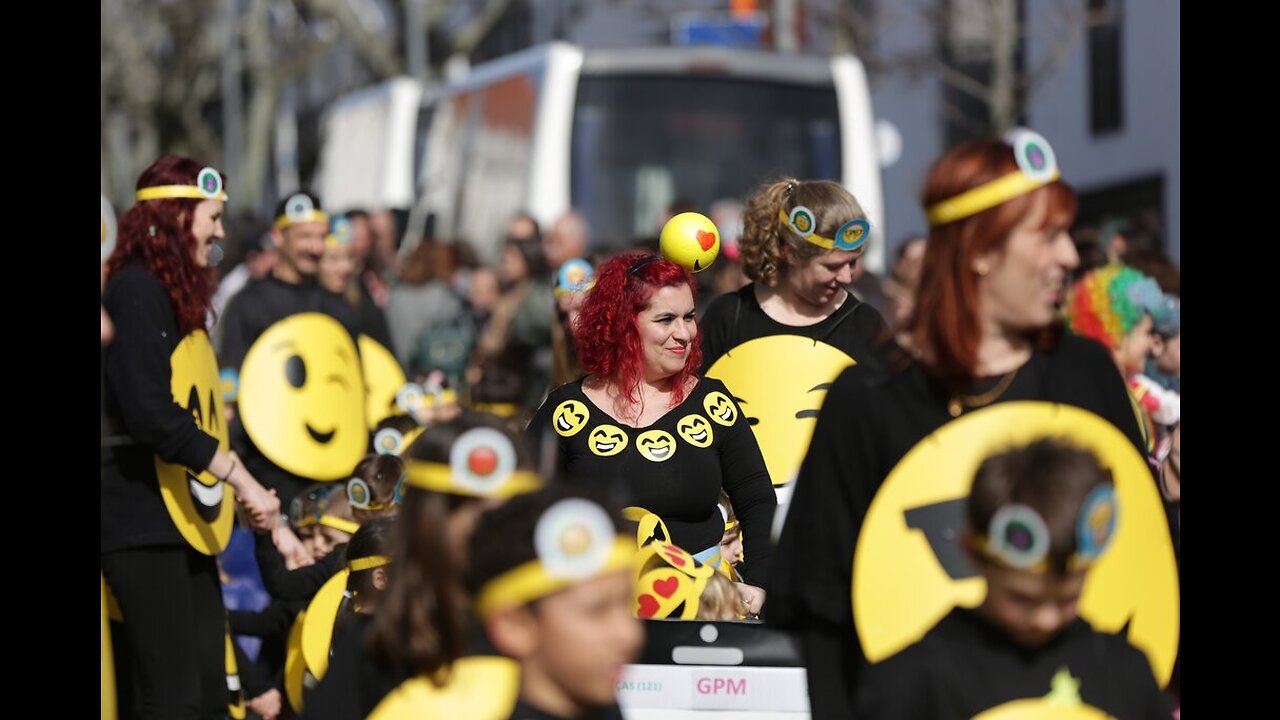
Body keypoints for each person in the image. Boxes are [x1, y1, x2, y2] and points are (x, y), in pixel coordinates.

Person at [768, 129, 1148, 717]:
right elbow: (824, 618)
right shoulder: (870, 397)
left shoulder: (1086, 375)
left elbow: (1138, 566)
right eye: (1047, 236)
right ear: (980, 249)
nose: (1070, 257)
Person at [102, 154, 279, 718]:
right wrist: (242, 479)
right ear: (177, 218)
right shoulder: (133, 291)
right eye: (212, 216)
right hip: (138, 520)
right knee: (171, 696)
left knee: (207, 687)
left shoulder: (165, 295)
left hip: (181, 515)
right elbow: (153, 415)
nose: (221, 231)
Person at [527, 252, 776, 616]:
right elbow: (525, 509)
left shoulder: (713, 402)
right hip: (596, 609)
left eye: (689, 317)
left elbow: (757, 501)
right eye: (666, 319)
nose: (685, 333)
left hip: (703, 610)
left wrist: (760, 582)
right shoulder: (565, 410)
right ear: (623, 325)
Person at [854, 438, 1171, 719]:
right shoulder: (913, 682)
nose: (1045, 619)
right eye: (1023, 599)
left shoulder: (1124, 674)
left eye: (1067, 599)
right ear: (970, 552)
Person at [698, 178, 893, 495]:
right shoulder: (729, 316)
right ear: (790, 252)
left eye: (853, 263)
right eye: (831, 266)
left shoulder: (865, 325)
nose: (845, 277)